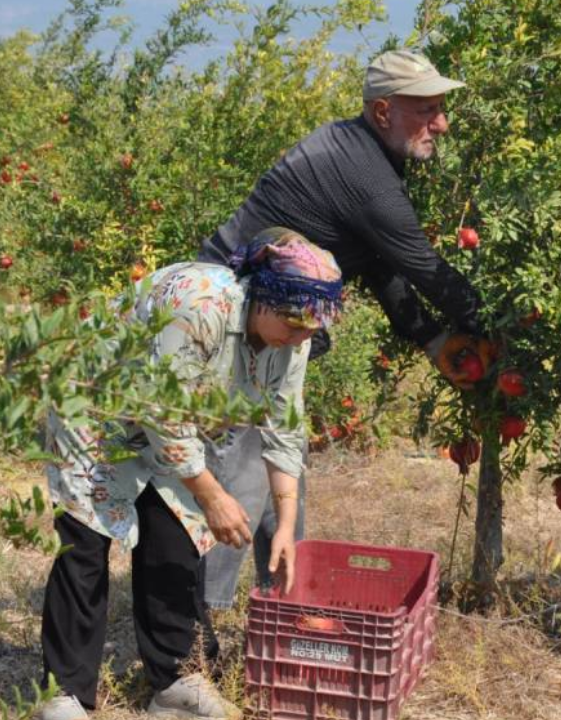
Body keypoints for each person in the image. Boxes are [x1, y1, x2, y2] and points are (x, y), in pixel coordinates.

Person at [198, 49, 493, 613]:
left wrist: (431, 340)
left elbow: (382, 264)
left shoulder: (367, 151)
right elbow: (422, 266)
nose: (442, 123)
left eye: (441, 108)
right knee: (237, 478)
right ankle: (192, 638)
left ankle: (283, 610)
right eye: (427, 109)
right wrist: (496, 328)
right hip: (234, 327)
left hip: (270, 326)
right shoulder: (365, 175)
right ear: (383, 111)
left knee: (280, 469)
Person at [36, 229, 342, 720]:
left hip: (172, 428)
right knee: (86, 545)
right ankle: (65, 693)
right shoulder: (199, 305)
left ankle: (173, 681)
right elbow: (162, 412)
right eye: (294, 323)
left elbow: (286, 425)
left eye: (312, 328)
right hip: (97, 408)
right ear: (263, 295)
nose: (302, 336)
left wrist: (285, 524)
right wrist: (213, 495)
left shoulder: (293, 337)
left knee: (177, 537)